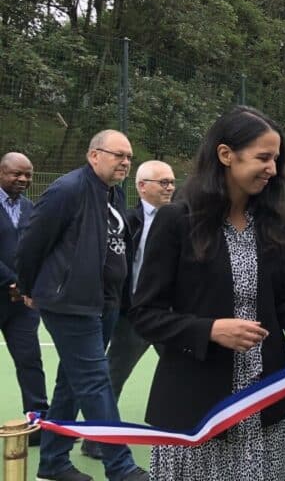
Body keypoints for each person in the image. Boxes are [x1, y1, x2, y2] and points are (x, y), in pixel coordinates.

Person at [129, 106, 285, 481]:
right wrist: (210, 330)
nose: (272, 168)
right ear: (225, 155)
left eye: (276, 159)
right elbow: (145, 313)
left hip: (267, 403)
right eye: (263, 157)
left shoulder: (277, 222)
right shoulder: (177, 221)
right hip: (199, 408)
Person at [16, 131, 148, 481]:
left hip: (105, 302)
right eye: (118, 155)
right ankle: (120, 467)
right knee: (94, 381)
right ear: (94, 155)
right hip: (70, 303)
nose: (125, 162)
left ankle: (54, 460)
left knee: (71, 384)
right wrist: (28, 287)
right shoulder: (67, 189)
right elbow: (31, 241)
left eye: (129, 157)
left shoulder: (115, 193)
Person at [82, 160, 177, 460]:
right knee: (113, 374)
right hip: (133, 313)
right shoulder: (126, 220)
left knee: (184, 367)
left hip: (171, 315)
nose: (170, 188)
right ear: (142, 186)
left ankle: (189, 427)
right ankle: (95, 438)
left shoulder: (182, 219)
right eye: (163, 182)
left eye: (172, 182)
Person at [0, 152, 48, 447]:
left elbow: (36, 251)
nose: (23, 180)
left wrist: (28, 284)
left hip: (21, 304)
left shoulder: (31, 208)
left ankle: (38, 425)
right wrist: (13, 280)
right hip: (10, 289)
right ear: (1, 172)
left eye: (28, 175)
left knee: (30, 361)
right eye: (16, 174)